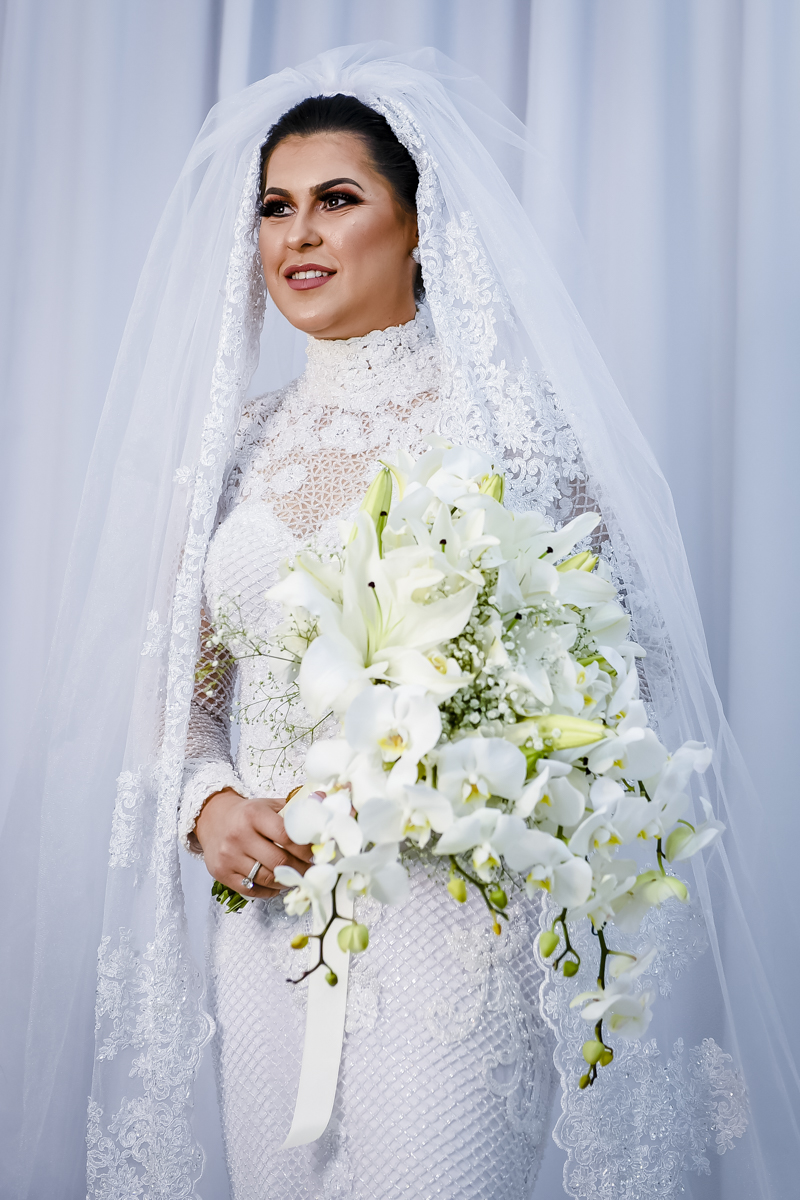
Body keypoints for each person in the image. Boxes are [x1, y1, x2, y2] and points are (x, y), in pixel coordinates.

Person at [1, 44, 795, 1200]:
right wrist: (205, 804)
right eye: (275, 207)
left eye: (337, 200)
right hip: (269, 926)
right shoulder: (234, 449)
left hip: (447, 934)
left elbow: (622, 673)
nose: (298, 235)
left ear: (419, 224)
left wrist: (439, 770)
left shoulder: (508, 436)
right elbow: (182, 687)